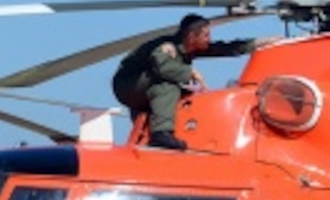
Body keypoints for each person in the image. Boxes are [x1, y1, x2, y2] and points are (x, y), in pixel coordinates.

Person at [111, 13, 278, 149]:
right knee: (167, 86)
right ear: (192, 36)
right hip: (128, 84)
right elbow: (162, 67)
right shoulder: (167, 47)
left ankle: (154, 130)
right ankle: (161, 134)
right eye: (206, 35)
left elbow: (222, 48)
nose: (209, 39)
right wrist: (190, 72)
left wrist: (256, 44)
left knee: (186, 94)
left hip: (143, 88)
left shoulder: (189, 47)